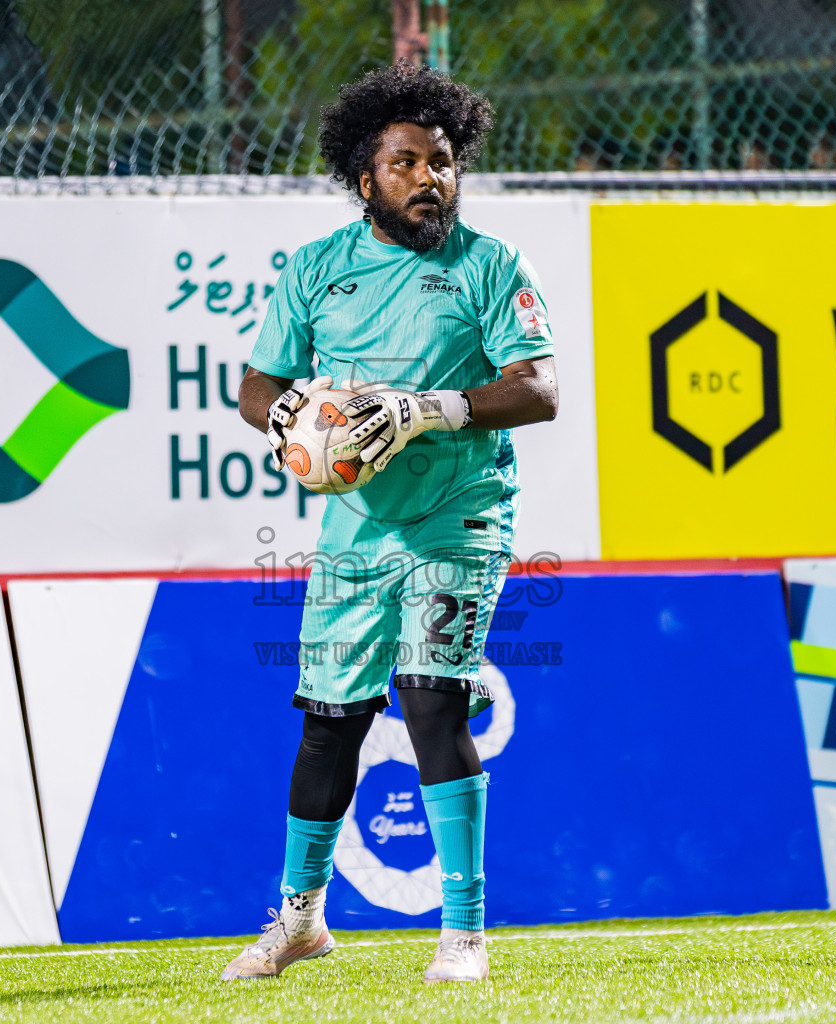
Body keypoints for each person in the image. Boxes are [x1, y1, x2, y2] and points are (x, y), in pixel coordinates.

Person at [224, 64, 559, 985]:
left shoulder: (491, 266)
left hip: (460, 516)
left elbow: (540, 389)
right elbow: (255, 384)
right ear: (366, 180)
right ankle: (298, 920)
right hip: (354, 535)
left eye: (442, 162)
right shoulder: (319, 270)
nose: (430, 179)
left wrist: (428, 410)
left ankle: (464, 933)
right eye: (406, 163)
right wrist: (287, 417)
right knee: (329, 722)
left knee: (430, 698)